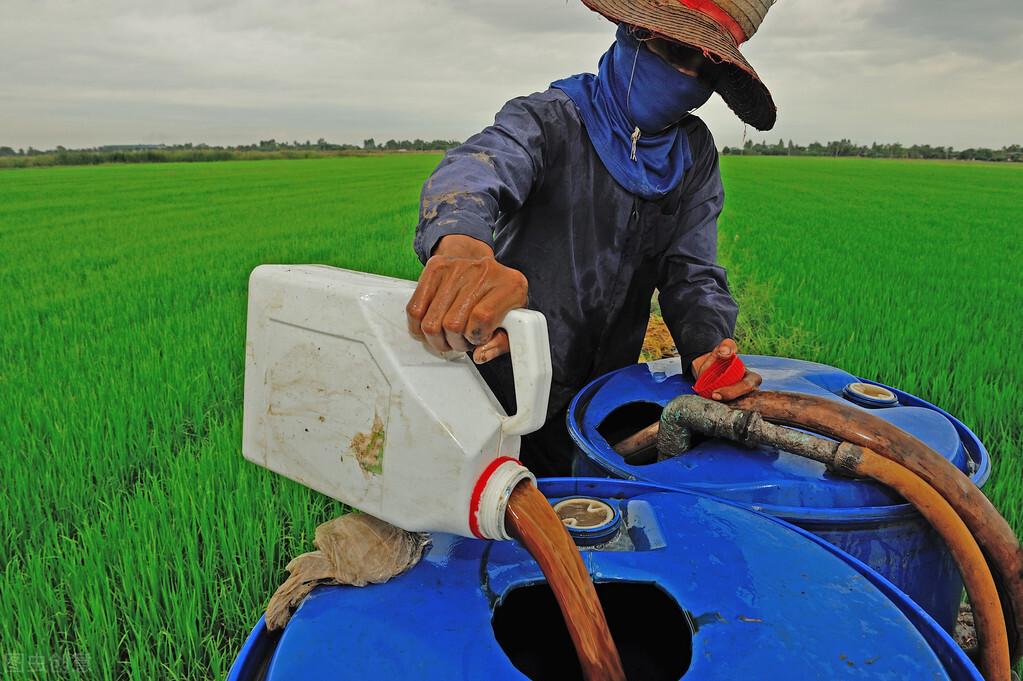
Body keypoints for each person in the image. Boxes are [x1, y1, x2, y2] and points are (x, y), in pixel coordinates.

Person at [406, 0, 779, 476]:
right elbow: (477, 169)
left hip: (604, 396)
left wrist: (707, 347)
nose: (686, 74)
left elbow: (692, 270)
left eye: (704, 68)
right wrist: (462, 249)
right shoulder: (549, 121)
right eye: (674, 49)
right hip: (503, 386)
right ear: (631, 32)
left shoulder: (693, 152)